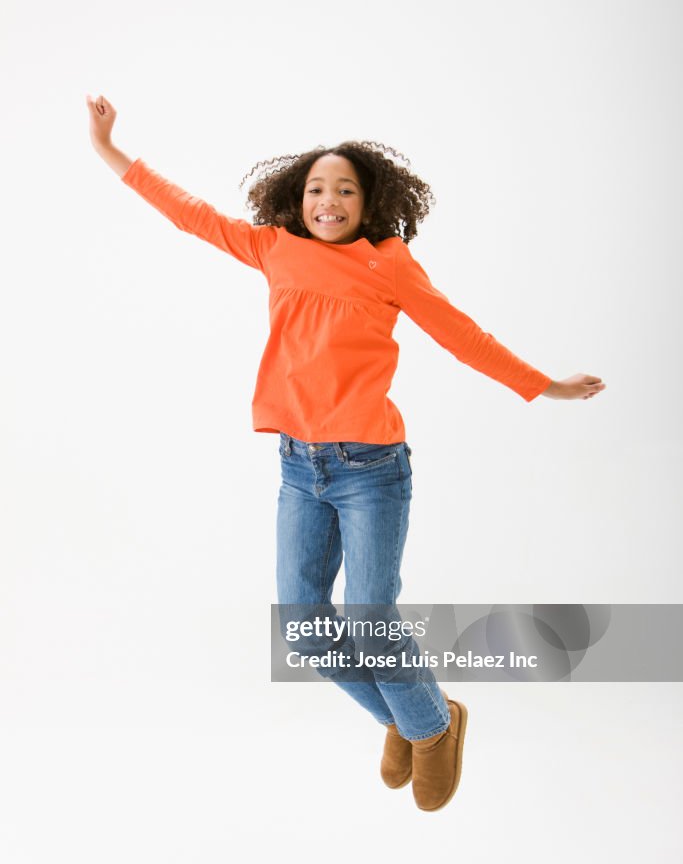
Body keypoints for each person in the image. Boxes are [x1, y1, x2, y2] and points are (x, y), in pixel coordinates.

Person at [85, 93, 606, 812]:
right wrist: (111, 151)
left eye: (345, 190)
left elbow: (462, 335)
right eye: (315, 190)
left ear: (370, 202)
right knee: (303, 626)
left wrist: (543, 385)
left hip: (370, 472)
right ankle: (419, 718)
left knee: (368, 621)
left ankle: (429, 725)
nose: (328, 201)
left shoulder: (387, 265)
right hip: (298, 468)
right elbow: (190, 214)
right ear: (295, 200)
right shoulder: (272, 247)